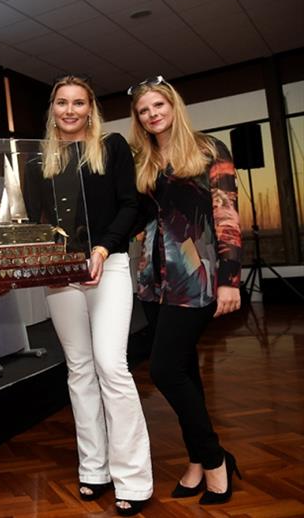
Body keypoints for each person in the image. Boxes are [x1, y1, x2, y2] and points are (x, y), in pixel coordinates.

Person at [39, 76, 154, 516]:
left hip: (110, 266)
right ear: (53, 109)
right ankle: (94, 469)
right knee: (80, 370)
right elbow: (39, 219)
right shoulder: (38, 162)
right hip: (61, 275)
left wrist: (103, 248)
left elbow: (131, 204)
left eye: (79, 103)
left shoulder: (113, 148)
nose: (70, 111)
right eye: (62, 103)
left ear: (91, 109)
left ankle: (134, 479)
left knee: (111, 365)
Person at [128, 75, 242, 505]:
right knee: (186, 370)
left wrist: (230, 279)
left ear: (173, 105)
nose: (152, 114)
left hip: (196, 275)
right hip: (153, 281)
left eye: (159, 105)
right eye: (144, 110)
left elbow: (227, 215)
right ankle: (198, 460)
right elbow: (138, 217)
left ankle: (215, 459)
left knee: (163, 370)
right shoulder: (143, 159)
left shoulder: (209, 149)